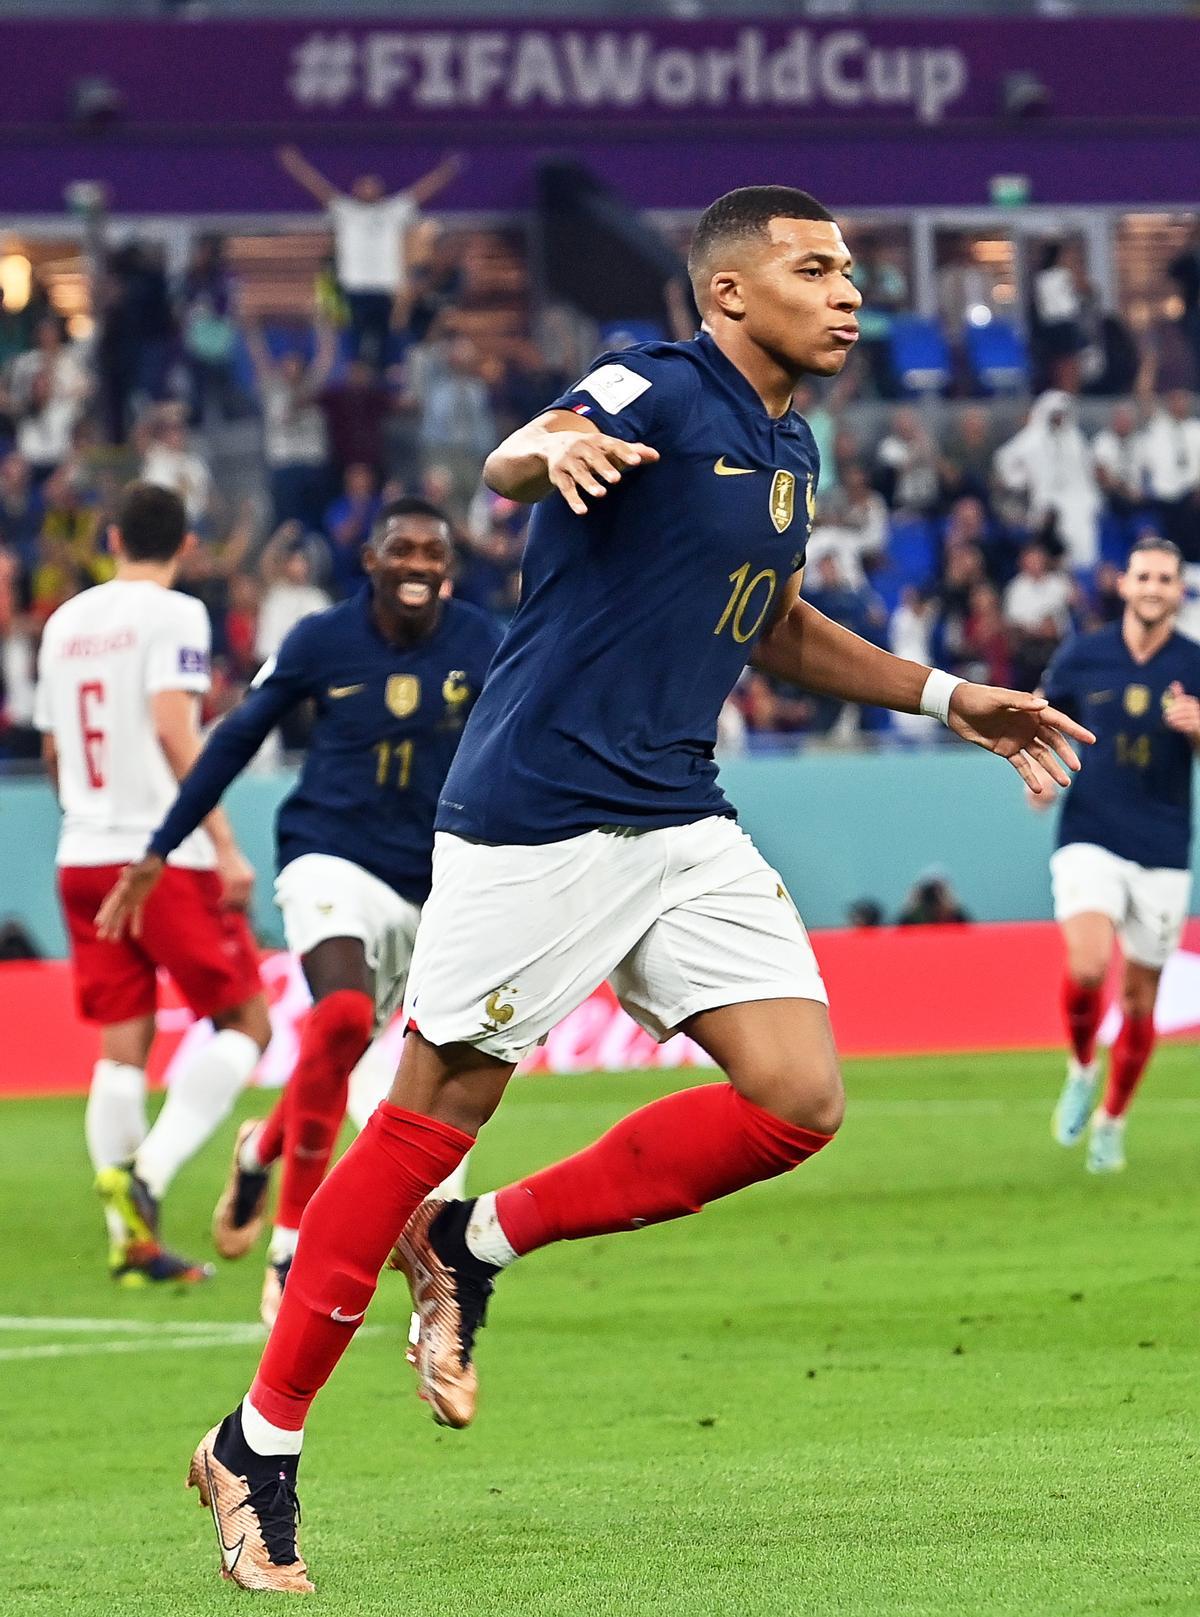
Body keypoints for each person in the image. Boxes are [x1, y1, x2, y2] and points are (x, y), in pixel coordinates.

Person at [163, 185, 1090, 1594]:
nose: (849, 291)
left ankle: (479, 1242)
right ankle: (256, 1443)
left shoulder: (791, 441)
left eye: (849, 269)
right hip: (539, 814)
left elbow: (771, 623)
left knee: (797, 1098)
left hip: (676, 811)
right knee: (425, 1118)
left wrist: (948, 694)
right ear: (726, 294)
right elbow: (522, 456)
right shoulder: (658, 383)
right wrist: (550, 449)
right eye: (814, 267)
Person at [96, 499, 502, 1325]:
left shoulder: (487, 642)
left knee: (343, 1040)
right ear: (372, 562)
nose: (418, 562)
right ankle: (290, 1247)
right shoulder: (320, 640)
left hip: (431, 880)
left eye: (433, 550)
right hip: (326, 857)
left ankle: (258, 1146)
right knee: (345, 1014)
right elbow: (239, 735)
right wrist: (160, 847)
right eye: (401, 548)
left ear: (449, 567)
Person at [33, 483, 270, 1283]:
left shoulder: (65, 621)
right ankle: (148, 1175)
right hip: (161, 857)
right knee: (247, 1022)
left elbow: (57, 750)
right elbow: (175, 725)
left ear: (109, 536)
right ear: (188, 544)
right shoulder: (175, 614)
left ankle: (130, 1243)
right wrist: (226, 843)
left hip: (82, 850)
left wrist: (88, 813)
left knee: (123, 1044)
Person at [1035, 535, 1200, 1174]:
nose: (1155, 588)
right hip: (1090, 830)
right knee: (1086, 966)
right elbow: (1047, 721)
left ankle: (1113, 1118)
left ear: (1178, 591)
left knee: (1138, 1002)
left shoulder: (1194, 663)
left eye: (1166, 578)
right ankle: (1080, 1067)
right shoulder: (1084, 654)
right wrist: (1043, 775)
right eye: (1145, 577)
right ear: (1124, 585)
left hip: (1163, 845)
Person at [276, 146, 462, 368]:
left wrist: (447, 171)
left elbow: (421, 192)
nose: (368, 188)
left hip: (386, 289)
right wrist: (294, 164)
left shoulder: (393, 211)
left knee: (389, 346)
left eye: (373, 184)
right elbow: (318, 187)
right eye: (364, 184)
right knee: (355, 350)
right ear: (356, 189)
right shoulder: (346, 210)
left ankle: (389, 375)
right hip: (355, 289)